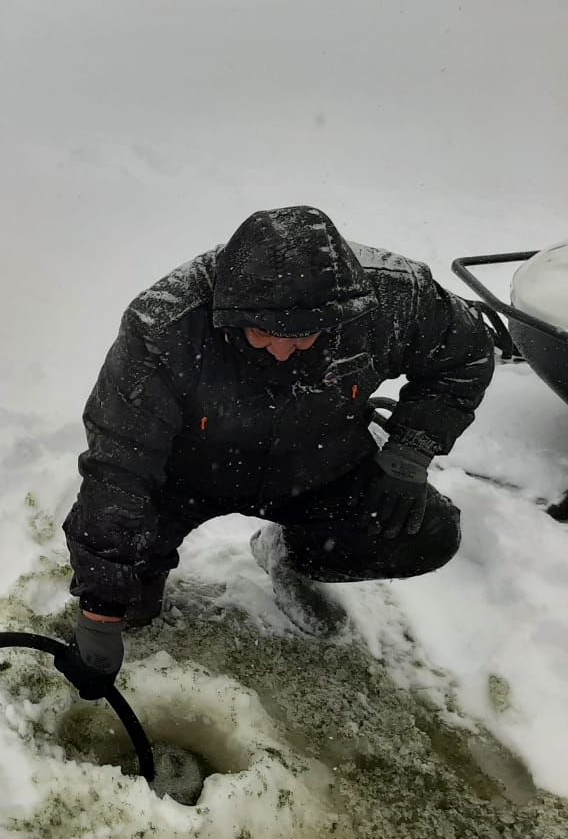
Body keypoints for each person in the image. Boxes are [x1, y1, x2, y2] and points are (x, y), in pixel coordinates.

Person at [54, 206, 495, 699]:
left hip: (321, 465)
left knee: (424, 534)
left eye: (304, 335)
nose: (283, 351)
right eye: (263, 333)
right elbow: (120, 466)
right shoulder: (165, 325)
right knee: (127, 603)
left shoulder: (390, 297)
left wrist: (409, 453)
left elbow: (468, 354)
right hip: (187, 478)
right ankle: (137, 585)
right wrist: (100, 611)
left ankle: (289, 552)